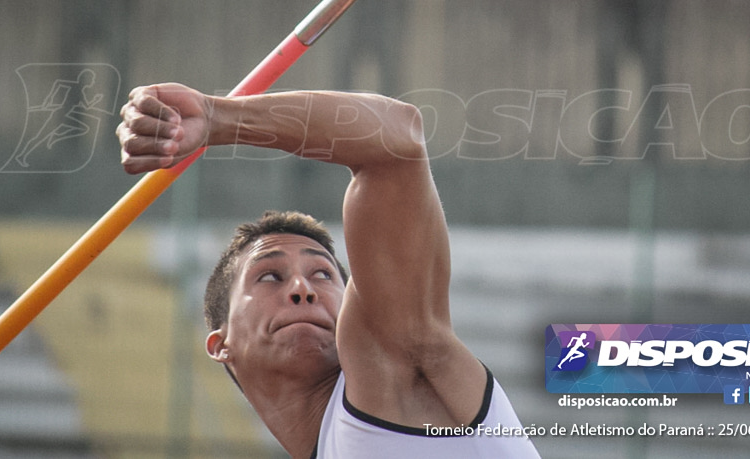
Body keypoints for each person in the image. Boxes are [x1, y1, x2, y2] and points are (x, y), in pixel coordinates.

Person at [117, 84, 541, 458]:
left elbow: (397, 142)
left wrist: (219, 118)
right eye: (270, 276)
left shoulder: (394, 363)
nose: (302, 289)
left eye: (323, 274)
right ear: (219, 342)